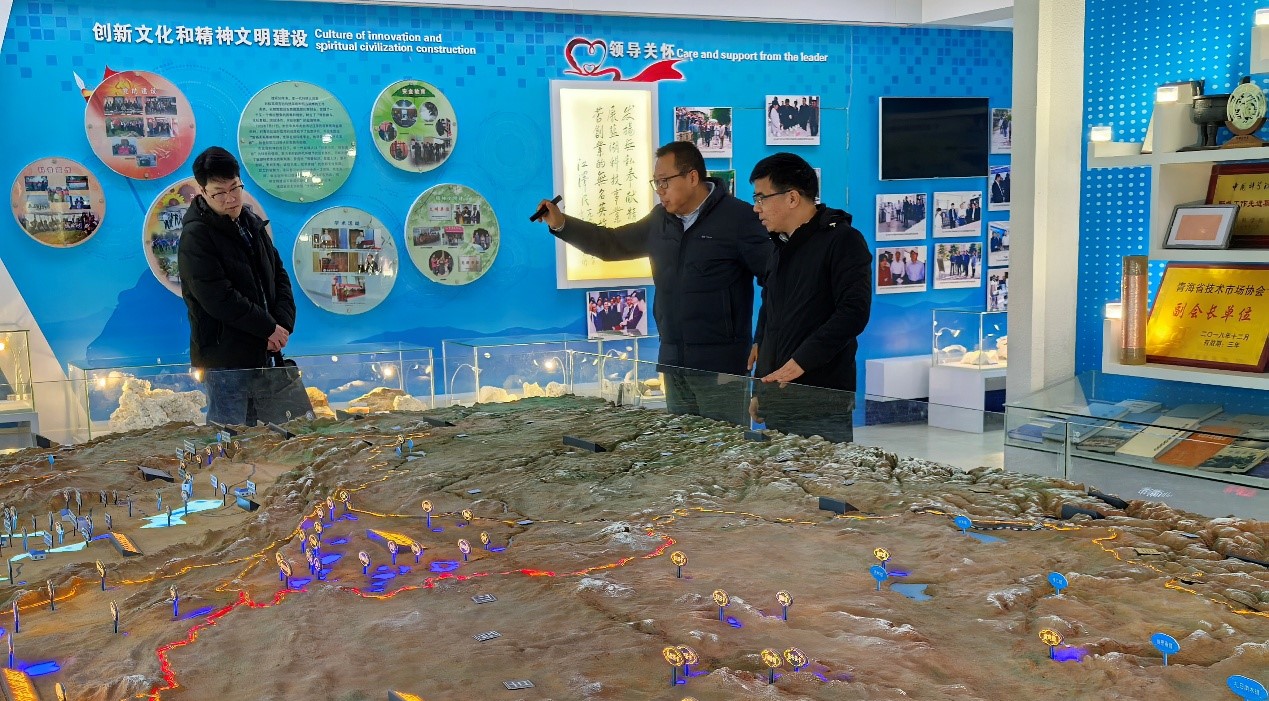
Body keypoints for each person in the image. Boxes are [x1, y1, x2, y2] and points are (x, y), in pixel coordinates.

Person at [536, 141, 772, 422]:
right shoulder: (660, 220)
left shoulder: (738, 218)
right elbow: (611, 243)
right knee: (679, 444)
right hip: (673, 362)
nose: (659, 190)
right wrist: (562, 223)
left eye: (664, 182)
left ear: (692, 177)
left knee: (724, 446)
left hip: (721, 366)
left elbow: (774, 279)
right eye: (656, 183)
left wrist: (762, 339)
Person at [746, 152, 872, 443]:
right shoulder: (779, 246)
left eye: (761, 198)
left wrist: (801, 361)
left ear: (792, 198)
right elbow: (769, 315)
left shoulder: (843, 240)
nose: (756, 208)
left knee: (824, 471)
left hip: (821, 399)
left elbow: (853, 313)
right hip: (778, 396)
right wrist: (760, 390)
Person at [177, 146, 307, 425]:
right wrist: (268, 329)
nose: (230, 198)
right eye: (219, 192)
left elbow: (278, 274)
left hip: (264, 353)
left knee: (271, 436)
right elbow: (218, 298)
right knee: (230, 435)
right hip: (226, 361)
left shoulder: (251, 222)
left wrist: (282, 325)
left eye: (234, 188)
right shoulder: (196, 236)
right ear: (202, 191)